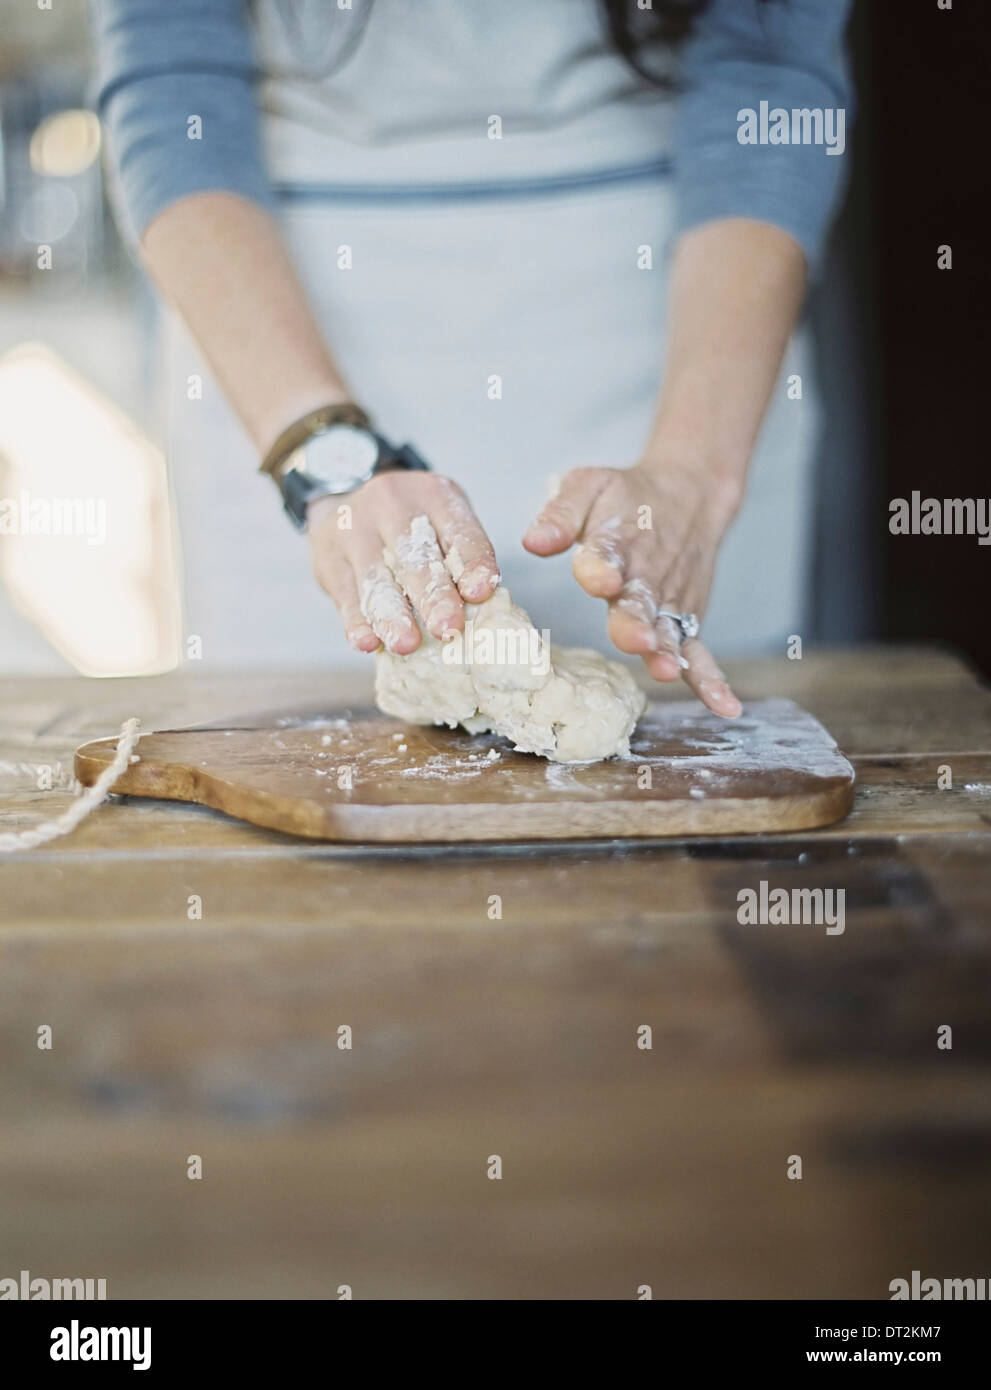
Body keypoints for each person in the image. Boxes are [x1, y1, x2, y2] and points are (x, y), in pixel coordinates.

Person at [93, 0, 852, 714]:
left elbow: (768, 64)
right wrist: (323, 448)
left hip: (675, 288)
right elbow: (172, 81)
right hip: (277, 298)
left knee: (695, 790)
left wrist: (692, 468)